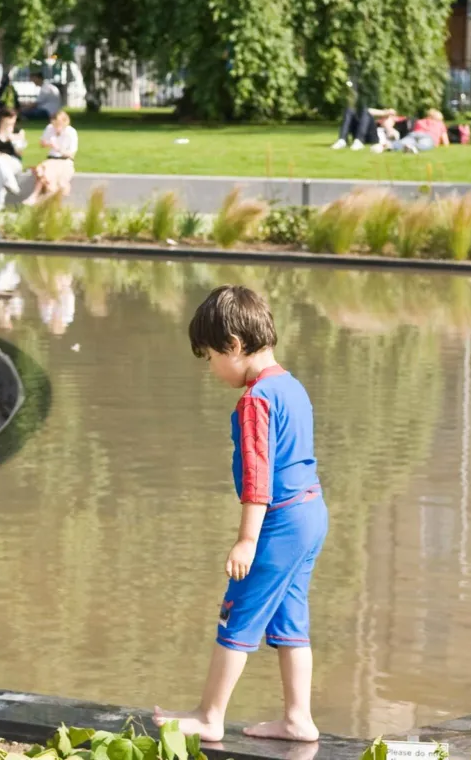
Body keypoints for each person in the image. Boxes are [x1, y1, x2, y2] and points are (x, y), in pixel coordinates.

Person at [154, 286, 326, 744]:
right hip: (311, 513)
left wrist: (247, 540)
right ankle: (298, 719)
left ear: (233, 344)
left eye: (209, 356)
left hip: (279, 523)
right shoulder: (292, 386)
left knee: (238, 615)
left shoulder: (256, 400)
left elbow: (258, 476)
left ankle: (209, 715)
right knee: (291, 622)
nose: (210, 368)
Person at [24, 110, 78, 205]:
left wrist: (59, 149)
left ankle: (41, 201)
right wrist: (48, 144)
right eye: (54, 124)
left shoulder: (71, 132)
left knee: (60, 182)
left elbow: (71, 154)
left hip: (65, 160)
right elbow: (42, 143)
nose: (55, 127)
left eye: (58, 125)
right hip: (52, 158)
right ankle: (35, 195)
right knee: (43, 171)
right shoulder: (49, 128)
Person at [0, 106, 26, 208]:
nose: (12, 121)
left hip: (13, 161)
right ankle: (12, 185)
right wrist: (2, 155)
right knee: (0, 162)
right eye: (10, 118)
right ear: (2, 118)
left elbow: (20, 153)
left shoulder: (19, 131)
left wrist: (14, 140)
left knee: (1, 173)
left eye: (14, 118)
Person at [331, 107, 402, 151]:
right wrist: (384, 112)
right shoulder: (375, 125)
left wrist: (388, 125)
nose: (383, 118)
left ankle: (359, 141)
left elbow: (393, 138)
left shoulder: (395, 132)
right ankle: (342, 140)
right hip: (362, 132)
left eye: (387, 117)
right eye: (383, 117)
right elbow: (368, 110)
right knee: (349, 110)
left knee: (366, 111)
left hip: (373, 139)